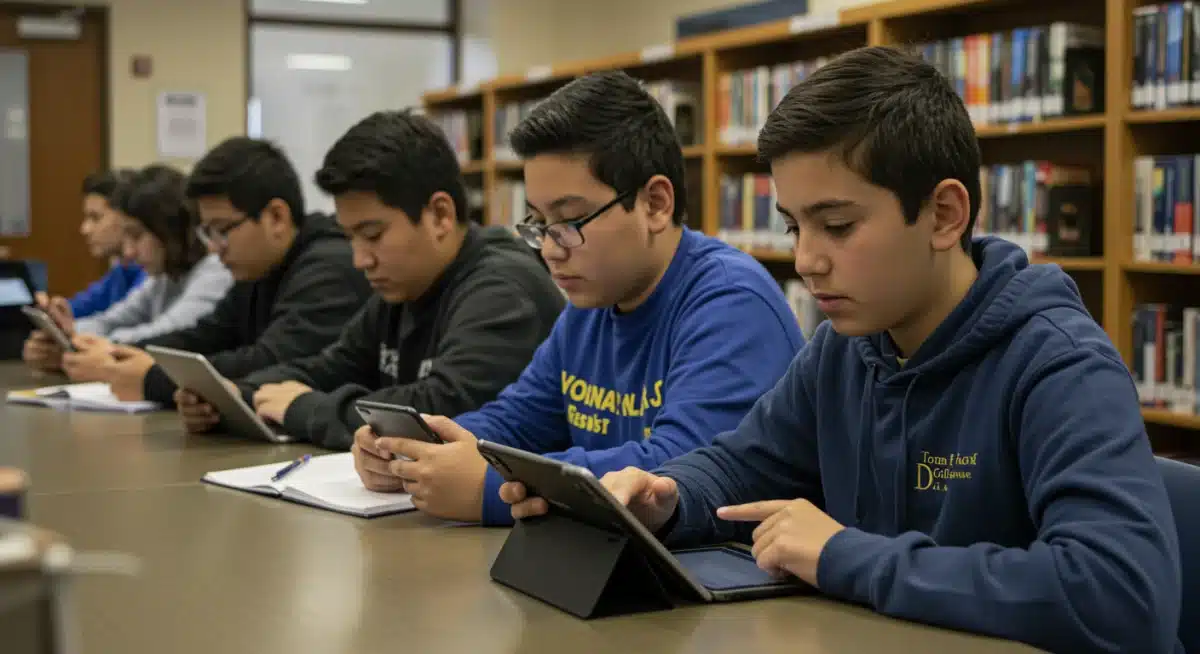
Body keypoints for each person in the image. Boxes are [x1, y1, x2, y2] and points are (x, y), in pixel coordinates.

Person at [502, 47, 1184, 654]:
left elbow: (1120, 598)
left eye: (837, 225)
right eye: (795, 226)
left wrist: (843, 556)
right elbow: (743, 464)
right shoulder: (845, 347)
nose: (806, 261)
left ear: (945, 215)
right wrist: (669, 498)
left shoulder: (1059, 363)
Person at [353, 70, 806, 526]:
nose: (550, 248)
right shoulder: (592, 302)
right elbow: (520, 419)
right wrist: (422, 450)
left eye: (570, 220)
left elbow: (676, 472)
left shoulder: (731, 302)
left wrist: (487, 487)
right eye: (539, 222)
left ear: (655, 204)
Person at [178, 110, 564, 449]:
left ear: (440, 216)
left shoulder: (503, 289)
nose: (360, 259)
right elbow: (331, 367)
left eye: (373, 234)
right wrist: (235, 395)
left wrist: (303, 408)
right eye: (351, 237)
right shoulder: (404, 286)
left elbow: (438, 411)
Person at [89, 137, 373, 405]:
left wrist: (153, 378)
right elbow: (206, 335)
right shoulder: (258, 267)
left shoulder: (330, 267)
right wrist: (129, 355)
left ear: (276, 217)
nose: (214, 248)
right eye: (207, 232)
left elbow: (272, 361)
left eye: (222, 230)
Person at [25, 164, 233, 379]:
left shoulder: (216, 272)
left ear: (169, 229)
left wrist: (85, 346)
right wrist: (65, 336)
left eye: (136, 235)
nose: (129, 251)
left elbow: (166, 335)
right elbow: (111, 320)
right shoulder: (164, 278)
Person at [70, 169, 145, 318]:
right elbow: (85, 304)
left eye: (95, 218)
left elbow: (117, 323)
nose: (84, 229)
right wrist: (53, 308)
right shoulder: (122, 270)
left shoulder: (149, 274)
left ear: (126, 217)